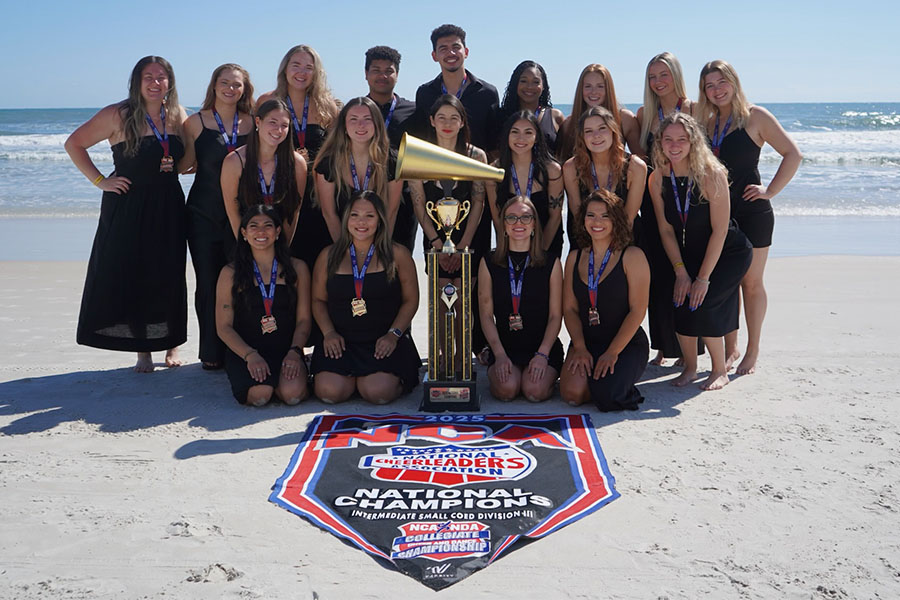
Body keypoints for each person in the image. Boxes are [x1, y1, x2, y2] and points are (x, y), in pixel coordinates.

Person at [64, 56, 189, 372]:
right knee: (135, 274)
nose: (155, 82)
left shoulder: (176, 115)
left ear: (169, 83)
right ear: (137, 82)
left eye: (161, 76)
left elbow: (186, 160)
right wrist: (100, 181)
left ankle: (171, 344)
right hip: (128, 205)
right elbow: (74, 144)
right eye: (148, 76)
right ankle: (142, 350)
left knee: (169, 273)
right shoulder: (117, 114)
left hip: (169, 204)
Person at [697, 60, 802, 375]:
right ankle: (731, 348)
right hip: (717, 215)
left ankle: (752, 350)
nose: (716, 90)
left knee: (751, 282)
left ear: (734, 82)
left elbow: (793, 154)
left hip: (751, 211)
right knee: (725, 281)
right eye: (709, 86)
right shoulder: (706, 120)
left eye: (721, 82)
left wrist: (769, 190)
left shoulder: (755, 116)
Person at [649, 113, 752, 390]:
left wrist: (703, 278)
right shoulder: (658, 178)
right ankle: (692, 367)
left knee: (702, 302)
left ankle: (719, 369)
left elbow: (719, 230)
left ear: (694, 141)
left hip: (728, 251)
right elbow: (667, 230)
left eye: (682, 139)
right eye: (668, 139)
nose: (674, 145)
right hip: (691, 251)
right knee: (680, 299)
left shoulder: (711, 173)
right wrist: (681, 272)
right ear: (659, 142)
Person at [310, 190, 420, 404]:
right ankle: (353, 378)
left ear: (380, 219)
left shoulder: (398, 254)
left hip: (384, 340)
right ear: (346, 220)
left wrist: (393, 334)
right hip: (341, 341)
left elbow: (411, 301)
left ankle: (367, 379)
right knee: (329, 392)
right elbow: (318, 300)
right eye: (354, 215)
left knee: (378, 393)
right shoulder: (328, 256)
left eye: (369, 216)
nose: (361, 222)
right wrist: (328, 333)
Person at [182, 63, 254, 370]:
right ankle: (211, 352)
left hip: (243, 214)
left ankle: (241, 347)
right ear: (214, 86)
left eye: (236, 85)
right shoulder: (195, 123)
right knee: (208, 283)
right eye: (224, 83)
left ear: (244, 90)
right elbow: (185, 164)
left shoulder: (253, 123)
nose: (230, 89)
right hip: (203, 213)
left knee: (244, 281)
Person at [408, 94, 488, 367]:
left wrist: (463, 245)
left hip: (468, 239)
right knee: (441, 303)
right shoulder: (418, 155)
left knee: (465, 303)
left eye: (453, 117)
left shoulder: (476, 155)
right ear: (431, 120)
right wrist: (434, 241)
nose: (447, 123)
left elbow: (478, 202)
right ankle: (442, 360)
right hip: (434, 241)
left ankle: (462, 359)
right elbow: (419, 203)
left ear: (462, 121)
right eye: (441, 117)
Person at [560, 190, 650, 411]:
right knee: (572, 394)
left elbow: (637, 311)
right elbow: (570, 309)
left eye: (605, 215)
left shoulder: (633, 256)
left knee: (608, 397)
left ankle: (615, 377)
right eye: (591, 215)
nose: (596, 222)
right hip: (587, 341)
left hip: (625, 343)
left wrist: (612, 353)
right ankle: (597, 378)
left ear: (616, 220)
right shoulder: (574, 257)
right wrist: (579, 347)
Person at [215, 205, 311, 406]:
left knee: (292, 395)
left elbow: (304, 320)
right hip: (247, 350)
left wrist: (295, 351)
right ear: (244, 233)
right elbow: (224, 327)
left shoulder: (298, 268)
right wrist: (249, 355)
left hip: (286, 349)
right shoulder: (230, 273)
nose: (261, 232)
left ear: (277, 232)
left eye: (268, 225)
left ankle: (286, 379)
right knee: (260, 396)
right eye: (253, 226)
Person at [258, 45, 339, 271]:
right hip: (277, 192)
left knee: (316, 264)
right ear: (285, 69)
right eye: (296, 65)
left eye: (308, 67)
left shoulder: (327, 106)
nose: (301, 72)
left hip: (316, 196)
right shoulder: (267, 100)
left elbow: (336, 152)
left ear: (316, 73)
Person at [478, 196, 563, 402]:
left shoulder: (551, 262)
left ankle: (541, 370)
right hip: (505, 347)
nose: (518, 223)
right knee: (507, 391)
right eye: (512, 217)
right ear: (503, 225)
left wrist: (542, 355)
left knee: (535, 391)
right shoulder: (489, 262)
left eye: (526, 217)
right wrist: (498, 354)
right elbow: (486, 315)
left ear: (534, 224)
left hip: (542, 345)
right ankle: (510, 370)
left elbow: (555, 316)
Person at [314, 97, 404, 243]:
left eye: (367, 119)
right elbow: (329, 214)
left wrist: (379, 249)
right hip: (337, 242)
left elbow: (391, 212)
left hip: (380, 243)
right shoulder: (328, 164)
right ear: (344, 126)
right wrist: (345, 252)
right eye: (353, 119)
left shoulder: (393, 162)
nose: (360, 125)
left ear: (377, 124)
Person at [221, 99, 306, 247]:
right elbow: (232, 211)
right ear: (258, 122)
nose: (278, 130)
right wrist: (245, 246)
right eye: (272, 122)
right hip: (242, 242)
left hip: (281, 243)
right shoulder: (234, 161)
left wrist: (282, 249)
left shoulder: (297, 163)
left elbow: (294, 211)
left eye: (284, 125)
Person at [562, 106, 646, 249]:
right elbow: (578, 218)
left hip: (626, 243)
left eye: (602, 128)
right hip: (587, 242)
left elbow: (628, 220)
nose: (596, 135)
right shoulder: (571, 168)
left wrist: (609, 254)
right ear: (582, 137)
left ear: (613, 132)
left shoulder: (635, 167)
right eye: (589, 131)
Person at [488, 111, 564, 260]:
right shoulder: (494, 172)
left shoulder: (552, 170)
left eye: (528, 132)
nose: (521, 138)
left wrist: (539, 252)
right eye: (515, 132)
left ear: (537, 138)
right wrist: (507, 252)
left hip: (546, 248)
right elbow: (497, 218)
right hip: (509, 251)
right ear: (507, 136)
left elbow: (555, 216)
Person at [364, 45, 418, 251]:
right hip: (361, 199)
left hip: (403, 203)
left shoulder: (412, 111)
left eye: (389, 71)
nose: (382, 76)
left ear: (397, 74)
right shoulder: (356, 111)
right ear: (366, 74)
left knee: (398, 260)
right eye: (376, 70)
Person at [414, 24, 500, 154]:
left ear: (466, 52)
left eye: (456, 47)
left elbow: (494, 143)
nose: (451, 53)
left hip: (475, 168)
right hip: (435, 169)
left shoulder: (487, 93)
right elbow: (421, 138)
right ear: (434, 56)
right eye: (443, 48)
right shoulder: (425, 93)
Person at [558, 64, 641, 162]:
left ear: (608, 89)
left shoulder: (625, 119)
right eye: (588, 86)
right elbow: (561, 161)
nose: (594, 92)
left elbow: (640, 159)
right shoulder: (569, 123)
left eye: (600, 86)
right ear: (581, 89)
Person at [498, 61, 565, 155]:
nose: (529, 86)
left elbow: (563, 154)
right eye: (523, 81)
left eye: (536, 82)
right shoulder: (500, 117)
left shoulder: (556, 116)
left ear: (543, 86)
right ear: (515, 84)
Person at [636, 52, 693, 161]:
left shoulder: (693, 109)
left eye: (664, 75)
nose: (658, 81)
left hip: (687, 177)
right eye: (652, 77)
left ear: (676, 75)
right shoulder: (644, 114)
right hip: (654, 177)